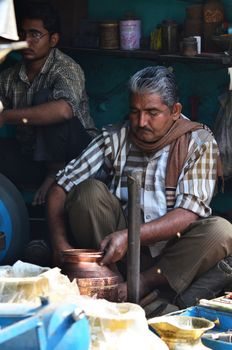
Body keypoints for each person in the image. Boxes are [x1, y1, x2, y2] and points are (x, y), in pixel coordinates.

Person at [47, 65, 232, 306]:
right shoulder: (115, 138)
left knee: (221, 231)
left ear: (175, 111)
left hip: (169, 257)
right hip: (116, 254)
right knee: (88, 192)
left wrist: (129, 237)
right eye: (135, 112)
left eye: (152, 112)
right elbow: (60, 188)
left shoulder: (198, 142)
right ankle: (111, 282)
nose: (141, 121)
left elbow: (187, 214)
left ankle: (145, 285)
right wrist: (59, 244)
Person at [0, 1, 97, 206]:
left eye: (35, 34)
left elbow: (63, 111)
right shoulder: (9, 77)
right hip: (35, 158)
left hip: (76, 157)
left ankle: (55, 174)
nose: (26, 41)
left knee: (48, 102)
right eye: (23, 33)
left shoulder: (66, 68)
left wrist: (6, 116)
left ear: (53, 39)